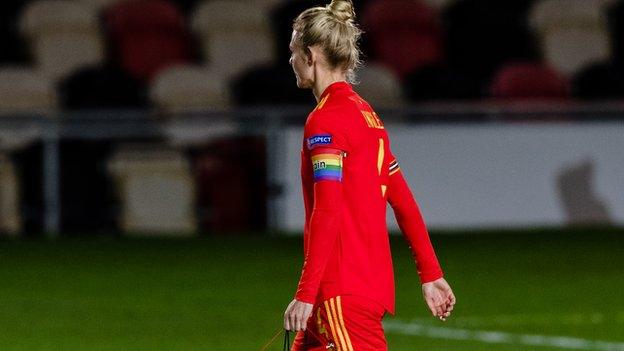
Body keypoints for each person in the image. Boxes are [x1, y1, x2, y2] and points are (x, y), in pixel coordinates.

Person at [282, 1, 456, 349]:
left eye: (293, 52)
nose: (291, 61)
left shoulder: (326, 121)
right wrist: (431, 273)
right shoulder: (367, 116)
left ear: (311, 54)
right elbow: (403, 200)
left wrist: (306, 293)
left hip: (340, 295)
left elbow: (327, 210)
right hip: (362, 288)